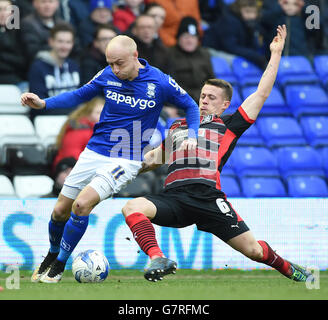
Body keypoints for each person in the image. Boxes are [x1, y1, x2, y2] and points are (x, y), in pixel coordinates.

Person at [122, 25, 313, 283]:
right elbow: (156, 158)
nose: (204, 100)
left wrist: (276, 53)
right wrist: (126, 169)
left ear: (224, 105)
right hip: (175, 199)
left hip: (208, 199)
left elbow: (262, 93)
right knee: (132, 207)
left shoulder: (229, 125)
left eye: (211, 97)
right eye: (202, 96)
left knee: (254, 250)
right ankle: (157, 257)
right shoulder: (178, 126)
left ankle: (290, 269)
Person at [21, 34, 200, 283]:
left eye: (119, 63)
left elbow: (191, 106)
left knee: (81, 205)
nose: (115, 69)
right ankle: (52, 254)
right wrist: (44, 103)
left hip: (125, 159)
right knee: (60, 211)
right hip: (94, 151)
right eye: (111, 63)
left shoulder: (159, 81)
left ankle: (60, 264)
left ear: (135, 56)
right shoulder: (107, 74)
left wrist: (192, 134)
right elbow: (79, 95)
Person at [28, 22, 80, 120]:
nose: (64, 46)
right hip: (47, 121)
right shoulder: (38, 67)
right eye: (60, 41)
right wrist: (75, 112)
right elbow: (38, 106)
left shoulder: (74, 66)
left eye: (68, 42)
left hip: (73, 120)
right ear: (51, 42)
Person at [203, 0, 267, 69]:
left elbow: (253, 46)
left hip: (229, 51)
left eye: (254, 12)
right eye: (247, 11)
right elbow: (231, 47)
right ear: (239, 10)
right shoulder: (229, 21)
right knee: (237, 62)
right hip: (213, 51)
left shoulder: (251, 23)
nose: (251, 16)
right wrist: (256, 57)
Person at [167, 16, 215, 102]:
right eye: (186, 37)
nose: (190, 41)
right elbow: (170, 86)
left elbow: (212, 81)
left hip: (204, 100)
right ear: (178, 38)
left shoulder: (204, 54)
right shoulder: (169, 55)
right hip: (181, 102)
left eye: (193, 37)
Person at [52, 96, 105, 170]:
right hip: (70, 171)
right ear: (88, 114)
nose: (102, 116)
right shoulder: (77, 129)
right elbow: (72, 157)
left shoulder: (101, 130)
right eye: (98, 113)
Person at [0, 0, 28, 87]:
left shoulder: (20, 32)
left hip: (16, 80)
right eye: (0, 9)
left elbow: (23, 61)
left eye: (6, 9)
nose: (2, 13)